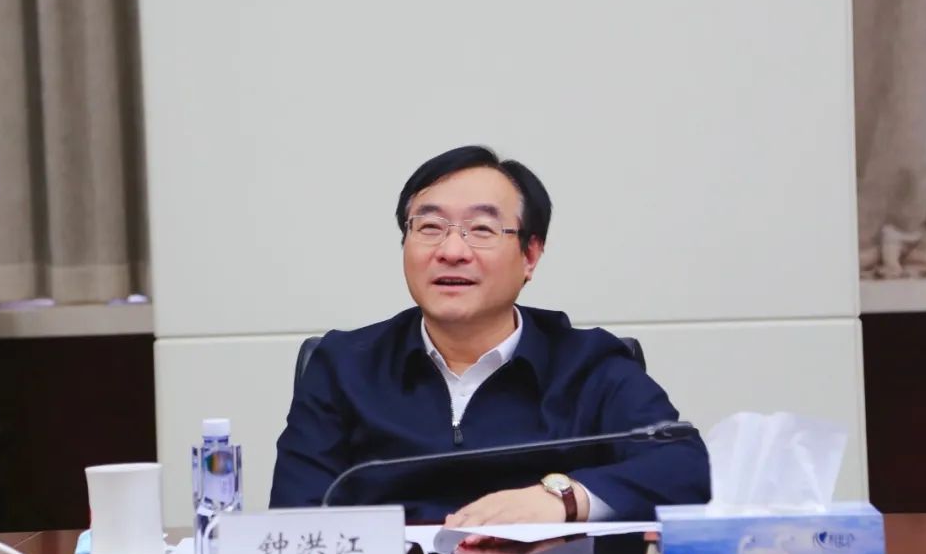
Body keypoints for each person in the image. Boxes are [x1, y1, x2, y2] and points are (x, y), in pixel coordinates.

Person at [270, 145, 710, 526]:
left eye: (481, 230)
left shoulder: (587, 363)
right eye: (429, 228)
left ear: (530, 255)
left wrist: (563, 498)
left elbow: (686, 467)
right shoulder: (344, 365)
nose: (451, 251)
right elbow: (294, 518)